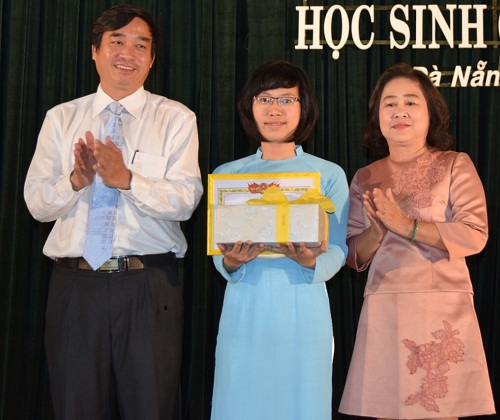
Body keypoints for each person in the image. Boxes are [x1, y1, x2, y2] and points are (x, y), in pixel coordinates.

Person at [24, 5, 203, 419]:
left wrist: (128, 179)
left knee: (151, 408)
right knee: (75, 406)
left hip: (148, 285)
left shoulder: (176, 119)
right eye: (117, 42)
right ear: (94, 51)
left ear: (152, 58)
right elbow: (35, 203)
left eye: (141, 45)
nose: (128, 53)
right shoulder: (61, 118)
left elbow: (186, 200)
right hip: (75, 287)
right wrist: (74, 181)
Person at [338, 63, 496, 419]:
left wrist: (408, 226)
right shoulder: (365, 176)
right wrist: (377, 232)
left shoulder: (455, 164)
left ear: (430, 114)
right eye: (389, 104)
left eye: (411, 102)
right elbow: (350, 253)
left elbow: (475, 233)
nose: (400, 112)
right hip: (385, 303)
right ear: (377, 117)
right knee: (387, 410)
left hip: (443, 304)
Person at [210, 60, 349, 420]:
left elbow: (339, 247)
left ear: (304, 108)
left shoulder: (328, 174)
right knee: (239, 400)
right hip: (245, 302)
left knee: (302, 402)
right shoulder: (228, 176)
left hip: (303, 302)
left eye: (287, 100)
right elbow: (219, 253)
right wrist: (231, 263)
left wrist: (312, 262)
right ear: (249, 107)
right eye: (265, 99)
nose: (275, 109)